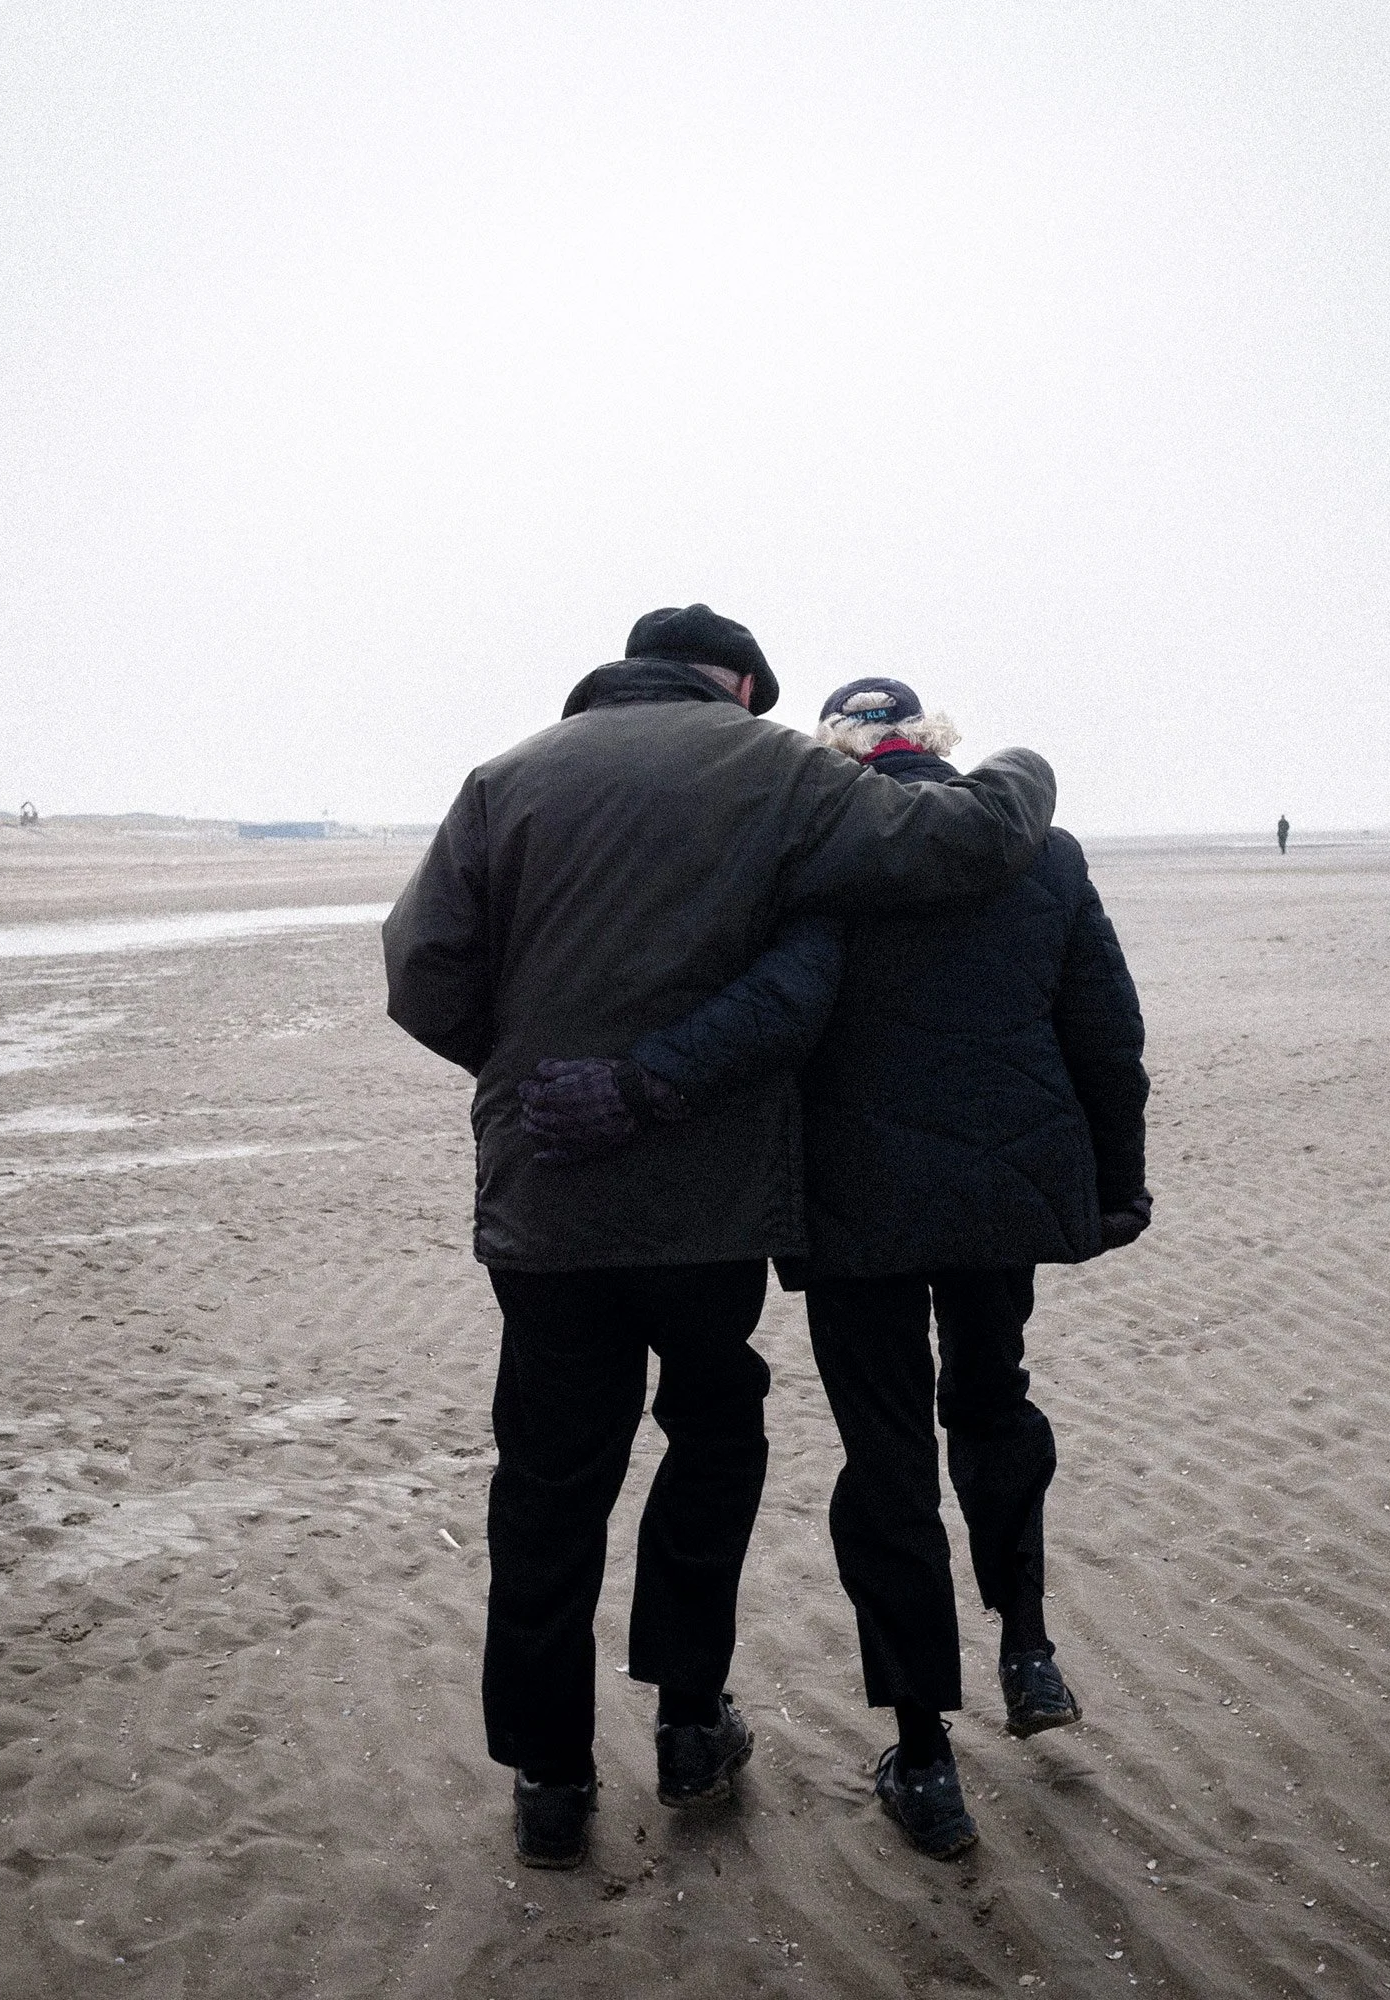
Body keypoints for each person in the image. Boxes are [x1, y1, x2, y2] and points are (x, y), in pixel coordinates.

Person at [382, 609, 1058, 1871]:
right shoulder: (770, 767)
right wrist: (1024, 766)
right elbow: (958, 841)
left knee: (546, 1480)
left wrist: (519, 1063)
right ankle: (690, 1722)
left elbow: (419, 970)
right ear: (741, 682)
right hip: (702, 1205)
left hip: (543, 1202)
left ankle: (548, 1778)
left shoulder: (507, 776)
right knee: (711, 1434)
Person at [521, 676, 1150, 1861]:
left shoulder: (823, 862)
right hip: (1000, 1196)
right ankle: (1025, 1642)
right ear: (933, 745)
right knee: (992, 1395)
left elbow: (776, 1008)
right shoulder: (1044, 854)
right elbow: (1104, 1029)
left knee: (890, 1462)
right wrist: (1114, 1184)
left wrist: (644, 1084)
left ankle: (924, 1761)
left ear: (833, 758)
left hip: (857, 1211)